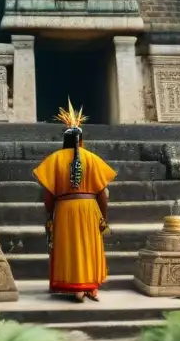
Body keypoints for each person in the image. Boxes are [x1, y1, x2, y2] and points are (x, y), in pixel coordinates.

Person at [32, 99, 118, 303]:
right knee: (89, 245)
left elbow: (48, 196)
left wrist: (50, 216)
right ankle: (89, 287)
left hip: (64, 209)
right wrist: (103, 217)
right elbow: (103, 194)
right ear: (81, 141)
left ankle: (73, 286)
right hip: (89, 209)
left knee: (68, 247)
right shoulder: (93, 159)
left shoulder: (54, 159)